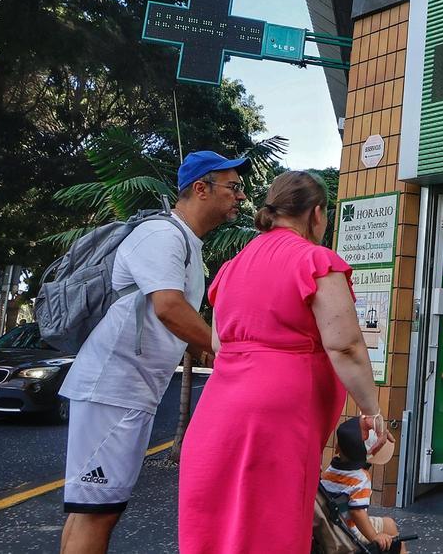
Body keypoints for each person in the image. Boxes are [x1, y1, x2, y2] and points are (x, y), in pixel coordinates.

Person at [178, 170, 388, 553]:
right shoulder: (316, 261)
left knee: (221, 524)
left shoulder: (232, 267)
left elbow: (219, 345)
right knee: (272, 525)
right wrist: (373, 411)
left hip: (219, 411)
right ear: (318, 213)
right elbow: (346, 346)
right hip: (277, 420)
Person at [59, 151, 249, 554]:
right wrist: (227, 353)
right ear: (201, 189)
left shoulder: (187, 244)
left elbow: (173, 322)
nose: (241, 196)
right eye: (233, 187)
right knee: (96, 510)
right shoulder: (162, 235)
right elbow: (169, 307)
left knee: (97, 508)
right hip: (112, 388)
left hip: (130, 392)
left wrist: (212, 355)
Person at [320, 417, 405, 552]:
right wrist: (375, 536)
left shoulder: (330, 470)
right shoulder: (361, 478)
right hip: (352, 532)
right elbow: (357, 512)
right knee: (390, 526)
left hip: (335, 527)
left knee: (387, 524)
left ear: (337, 448)